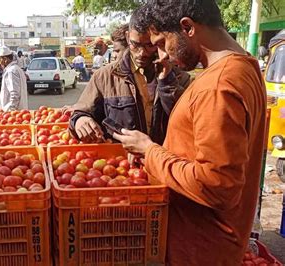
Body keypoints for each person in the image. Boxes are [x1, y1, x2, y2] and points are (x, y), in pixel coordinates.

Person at [112, 2, 266, 265]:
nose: (161, 55)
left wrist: (150, 151)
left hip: (200, 248)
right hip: (213, 244)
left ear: (187, 27)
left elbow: (216, 187)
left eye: (162, 42)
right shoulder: (245, 68)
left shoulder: (217, 86)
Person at [69, 8, 190, 146]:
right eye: (135, 45)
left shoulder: (179, 77)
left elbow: (188, 122)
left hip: (165, 162)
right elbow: (80, 112)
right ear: (128, 38)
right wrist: (80, 120)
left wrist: (167, 82)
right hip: (121, 163)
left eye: (149, 46)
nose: (142, 53)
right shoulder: (104, 77)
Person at [0, 46, 28, 111]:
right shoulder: (16, 68)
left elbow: (15, 95)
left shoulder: (11, 71)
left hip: (12, 113)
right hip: (19, 111)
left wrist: (10, 111)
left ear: (5, 59)